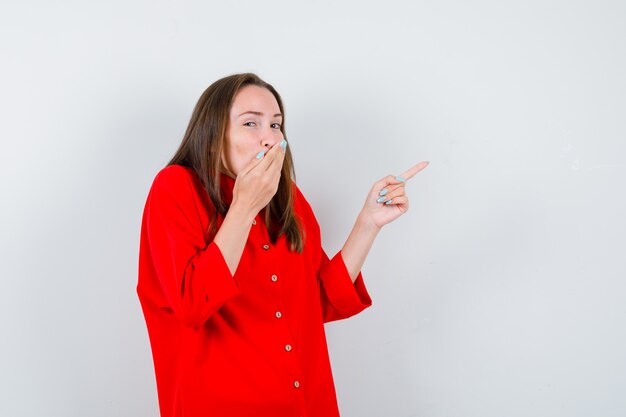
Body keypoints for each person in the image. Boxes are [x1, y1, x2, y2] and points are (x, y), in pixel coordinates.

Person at [136, 72, 429, 417]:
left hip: (307, 404)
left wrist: (368, 223)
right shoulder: (175, 188)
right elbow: (191, 303)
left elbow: (316, 300)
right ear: (214, 137)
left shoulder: (287, 197)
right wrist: (245, 206)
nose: (268, 138)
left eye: (276, 125)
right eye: (250, 123)